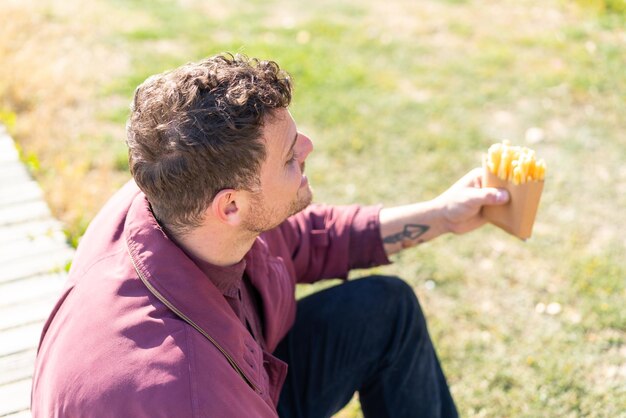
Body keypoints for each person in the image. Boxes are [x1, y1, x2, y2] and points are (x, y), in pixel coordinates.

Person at [31, 53, 509, 417]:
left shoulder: (183, 201)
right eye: (288, 157)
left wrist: (442, 216)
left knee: (386, 310)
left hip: (250, 375)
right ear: (231, 205)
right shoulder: (185, 387)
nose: (308, 147)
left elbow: (312, 238)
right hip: (215, 390)